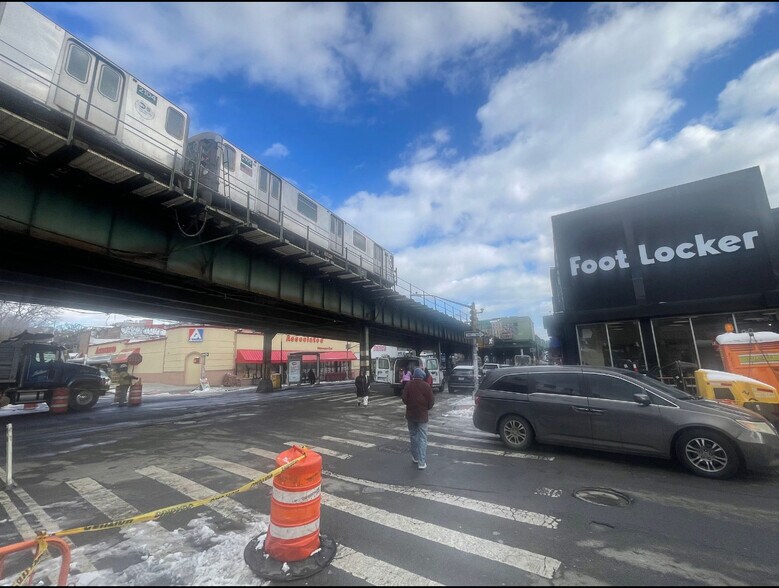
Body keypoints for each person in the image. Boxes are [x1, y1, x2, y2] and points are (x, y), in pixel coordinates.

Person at [401, 367, 434, 470]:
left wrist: (410, 405)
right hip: (422, 416)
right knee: (422, 438)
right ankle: (421, 462)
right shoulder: (426, 386)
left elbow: (404, 398)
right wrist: (425, 408)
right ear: (422, 376)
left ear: (414, 376)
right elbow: (431, 402)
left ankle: (415, 457)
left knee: (413, 436)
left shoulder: (408, 384)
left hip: (411, 415)